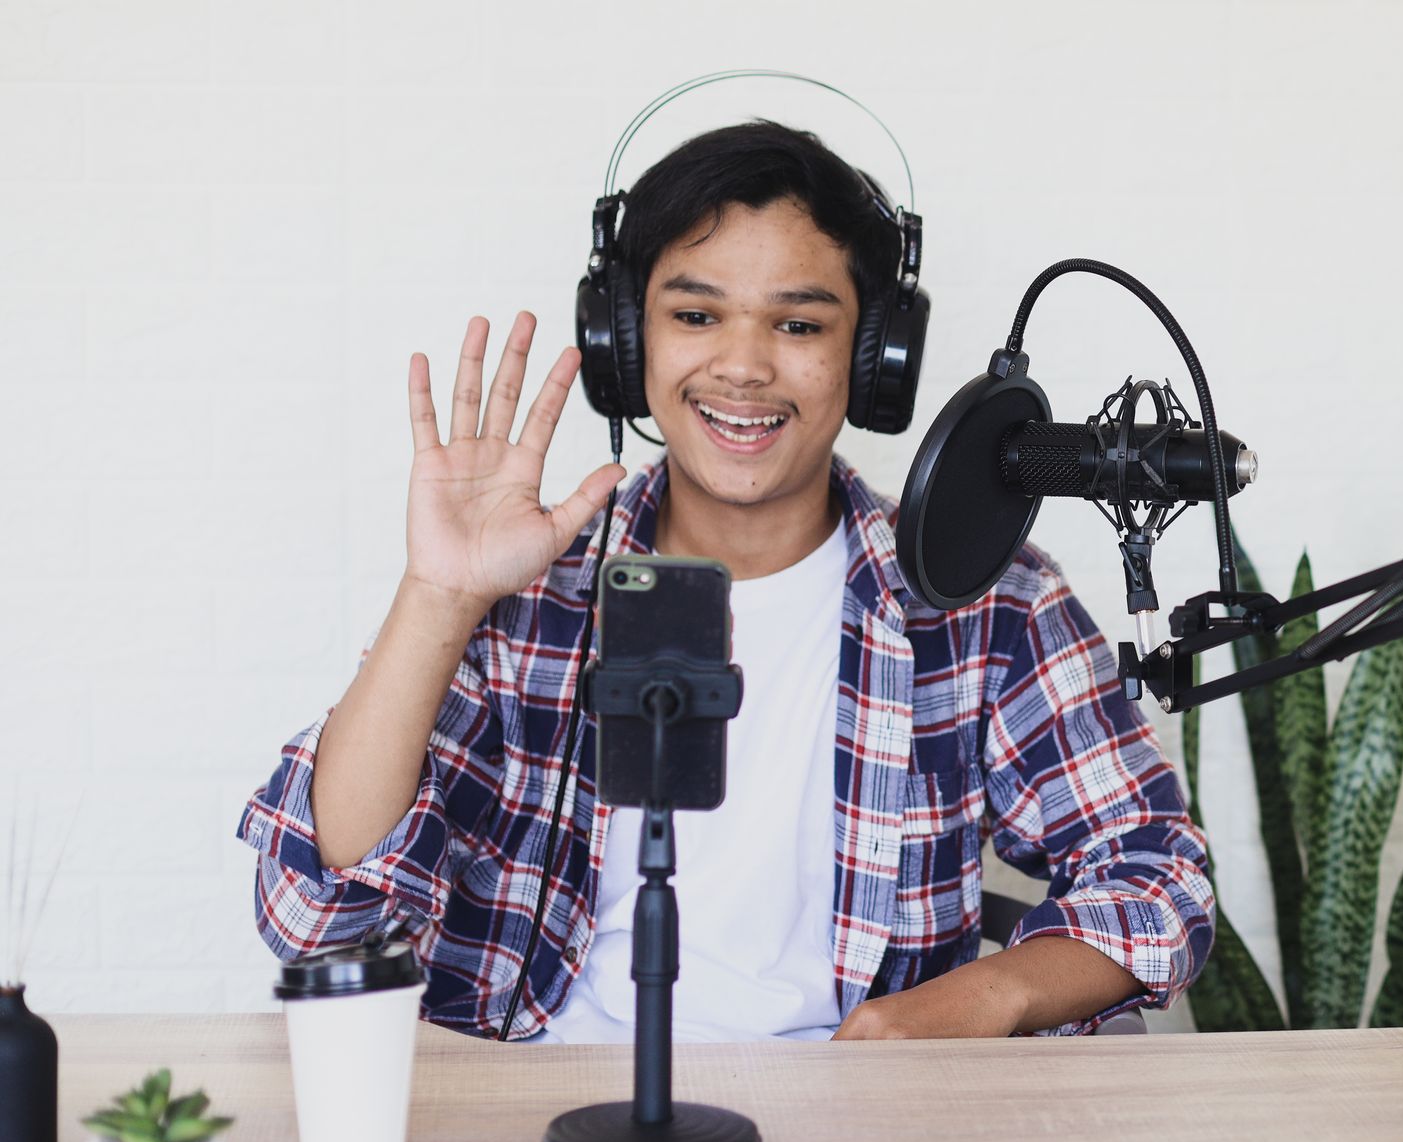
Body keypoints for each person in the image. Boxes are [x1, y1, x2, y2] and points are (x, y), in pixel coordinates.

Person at [236, 120, 1214, 1042]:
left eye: (798, 324)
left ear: (874, 360)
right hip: (536, 1124)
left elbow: (1158, 872)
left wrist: (989, 992)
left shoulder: (987, 605)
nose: (743, 366)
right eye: (697, 314)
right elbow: (315, 913)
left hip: (854, 1136)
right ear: (629, 343)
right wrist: (439, 595)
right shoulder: (530, 590)